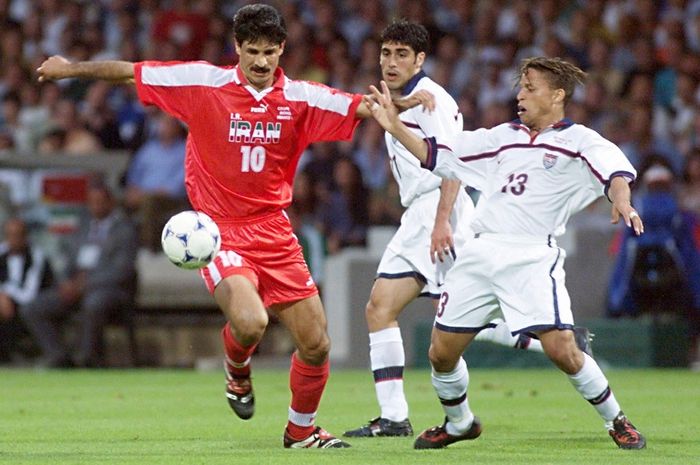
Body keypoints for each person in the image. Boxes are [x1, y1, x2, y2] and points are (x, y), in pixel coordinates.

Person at [36, 3, 430, 449]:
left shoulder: (302, 97)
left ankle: (300, 431)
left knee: (317, 344)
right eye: (252, 51)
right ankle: (237, 368)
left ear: (282, 49)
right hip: (218, 229)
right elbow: (131, 72)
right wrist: (70, 70)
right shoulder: (203, 83)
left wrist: (402, 102)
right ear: (237, 48)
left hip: (275, 231)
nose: (261, 62)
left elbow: (362, 106)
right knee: (251, 322)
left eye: (270, 51)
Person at [365, 56, 647, 450]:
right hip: (480, 253)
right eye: (521, 87)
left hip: (531, 256)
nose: (520, 94)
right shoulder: (502, 136)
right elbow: (439, 155)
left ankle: (616, 419)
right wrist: (395, 126)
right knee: (441, 354)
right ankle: (460, 422)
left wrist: (624, 200)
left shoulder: (579, 140)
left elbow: (614, 172)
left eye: (530, 87)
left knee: (563, 350)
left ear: (558, 94)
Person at [344, 21, 593, 439]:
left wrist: (442, 221)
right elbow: (382, 109)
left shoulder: (435, 101)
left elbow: (452, 162)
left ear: (420, 59)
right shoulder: (415, 97)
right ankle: (394, 417)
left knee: (438, 313)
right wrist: (402, 103)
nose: (390, 61)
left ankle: (557, 342)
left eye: (401, 54)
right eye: (386, 53)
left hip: (437, 209)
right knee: (394, 309)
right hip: (421, 213)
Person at [20, 182, 139, 368]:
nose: (96, 207)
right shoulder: (82, 226)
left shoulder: (124, 229)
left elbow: (121, 271)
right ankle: (59, 357)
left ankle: (88, 359)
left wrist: (84, 285)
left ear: (111, 203)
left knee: (94, 303)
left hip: (109, 289)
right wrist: (66, 282)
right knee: (33, 308)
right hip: (75, 287)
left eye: (100, 202)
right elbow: (68, 261)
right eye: (92, 202)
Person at [0, 217, 54, 363]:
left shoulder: (37, 257)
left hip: (28, 306)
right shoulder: (2, 254)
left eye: (18, 235)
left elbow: (29, 294)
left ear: (26, 236)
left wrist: (6, 295)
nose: (14, 239)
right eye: (10, 235)